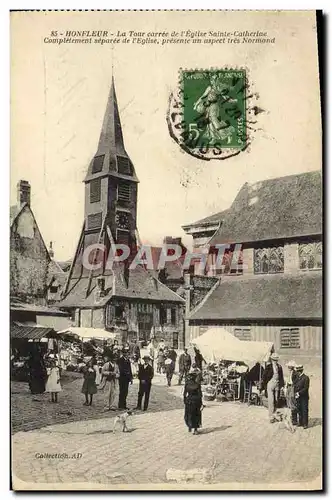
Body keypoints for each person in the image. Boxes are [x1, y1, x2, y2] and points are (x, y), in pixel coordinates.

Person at [261, 353, 285, 423]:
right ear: (271, 360)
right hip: (270, 384)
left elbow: (281, 377)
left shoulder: (279, 367)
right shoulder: (268, 367)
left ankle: (275, 415)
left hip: (277, 384)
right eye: (274, 360)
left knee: (276, 400)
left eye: (276, 360)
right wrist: (265, 385)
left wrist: (282, 386)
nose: (275, 361)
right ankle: (271, 416)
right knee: (271, 401)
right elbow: (264, 377)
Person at [294, 364, 310, 429]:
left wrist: (298, 393)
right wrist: (295, 393)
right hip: (298, 396)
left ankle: (305, 423)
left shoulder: (306, 378)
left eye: (297, 371)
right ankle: (300, 422)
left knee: (304, 410)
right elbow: (295, 385)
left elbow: (306, 388)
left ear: (300, 371)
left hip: (304, 397)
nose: (296, 372)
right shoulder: (297, 378)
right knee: (299, 409)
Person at [285, 360, 298, 425]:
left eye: (289, 366)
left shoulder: (295, 373)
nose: (288, 367)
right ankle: (291, 417)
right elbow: (288, 380)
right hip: (289, 387)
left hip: (292, 387)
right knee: (288, 400)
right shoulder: (289, 372)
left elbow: (295, 382)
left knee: (292, 402)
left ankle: (294, 419)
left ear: (292, 367)